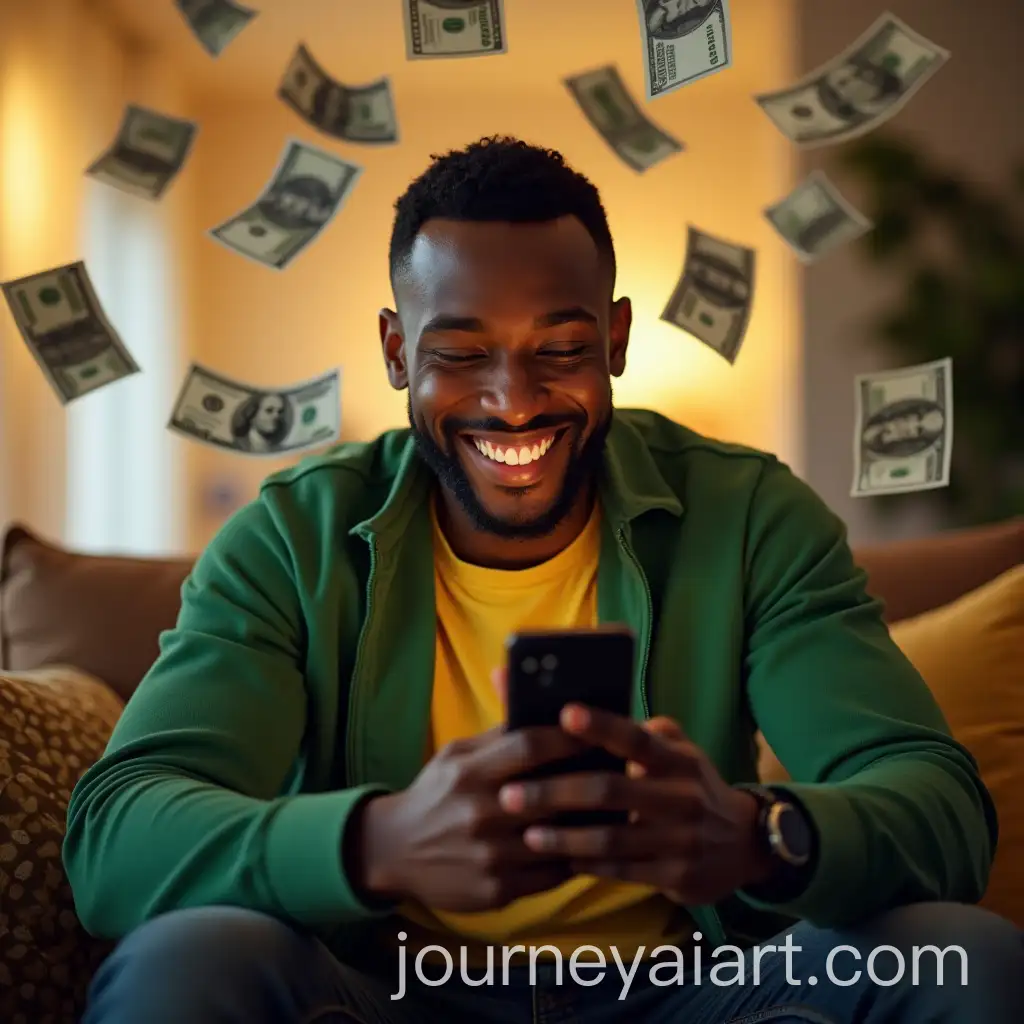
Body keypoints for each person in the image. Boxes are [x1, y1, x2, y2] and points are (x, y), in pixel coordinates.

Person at [66, 136, 1022, 1023]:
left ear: (614, 340)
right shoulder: (293, 538)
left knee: (959, 958)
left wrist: (759, 837)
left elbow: (938, 807)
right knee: (190, 958)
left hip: (693, 991)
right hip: (392, 985)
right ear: (399, 352)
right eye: (461, 354)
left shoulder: (747, 517)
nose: (513, 402)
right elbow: (117, 837)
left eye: (560, 351)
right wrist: (379, 843)